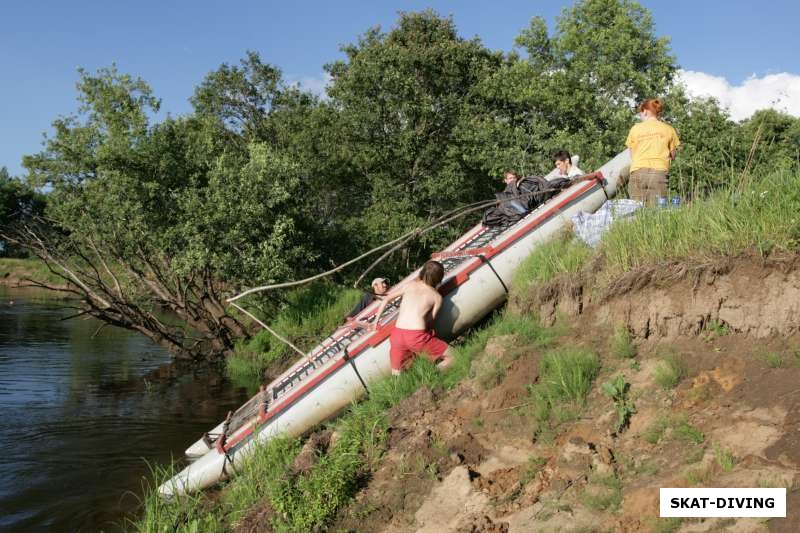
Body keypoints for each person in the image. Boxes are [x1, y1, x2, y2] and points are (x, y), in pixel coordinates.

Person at [371, 260, 454, 375]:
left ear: (422, 272)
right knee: (453, 357)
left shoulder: (409, 285)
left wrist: (375, 322)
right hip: (416, 336)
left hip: (397, 334)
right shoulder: (436, 297)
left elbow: (386, 299)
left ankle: (409, 383)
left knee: (397, 375)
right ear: (438, 278)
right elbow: (429, 321)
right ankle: (432, 375)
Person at [625, 98, 681, 206]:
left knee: (636, 210)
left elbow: (632, 155)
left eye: (640, 114)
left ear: (645, 111)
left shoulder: (635, 129)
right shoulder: (668, 129)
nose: (640, 116)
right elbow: (673, 155)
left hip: (637, 173)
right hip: (659, 174)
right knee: (657, 211)